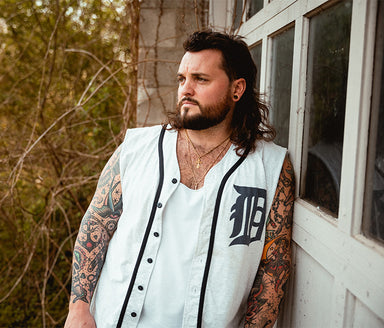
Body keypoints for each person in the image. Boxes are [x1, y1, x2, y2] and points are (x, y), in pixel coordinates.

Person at [64, 29, 295, 328]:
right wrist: (78, 308)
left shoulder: (271, 167)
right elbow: (96, 225)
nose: (186, 89)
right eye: (182, 79)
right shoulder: (136, 149)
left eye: (201, 79)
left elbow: (273, 268)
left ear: (237, 90)